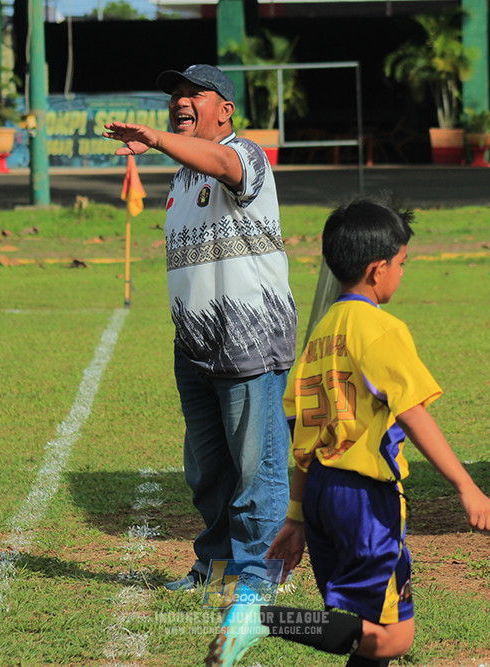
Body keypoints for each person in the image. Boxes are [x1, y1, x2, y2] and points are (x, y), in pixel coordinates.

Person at [204, 198, 490, 667]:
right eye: (402, 264)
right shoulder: (379, 329)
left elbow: (304, 442)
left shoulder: (321, 335)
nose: (402, 273)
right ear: (377, 269)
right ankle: (262, 618)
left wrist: (296, 518)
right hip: (365, 501)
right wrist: (467, 487)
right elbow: (413, 414)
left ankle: (261, 618)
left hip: (322, 495)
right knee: (393, 639)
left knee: (363, 629)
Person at [103, 65, 298, 591]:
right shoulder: (182, 177)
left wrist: (157, 140)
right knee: (209, 471)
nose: (180, 102)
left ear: (225, 110)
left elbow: (223, 164)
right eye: (176, 95)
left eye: (195, 94)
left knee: (257, 468)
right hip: (195, 349)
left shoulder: (245, 155)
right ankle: (215, 568)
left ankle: (259, 576)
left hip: (248, 341)